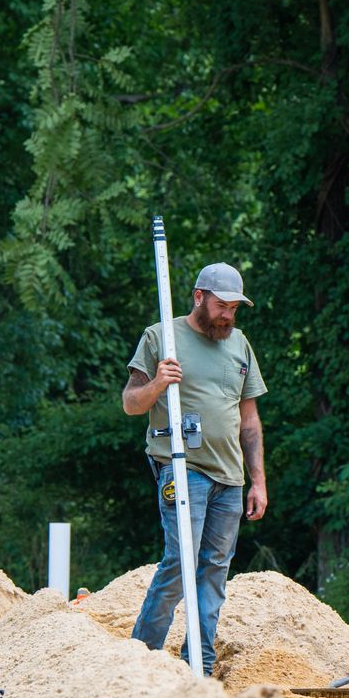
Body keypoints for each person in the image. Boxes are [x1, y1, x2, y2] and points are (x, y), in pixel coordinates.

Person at [121, 262, 268, 675]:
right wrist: (157, 384)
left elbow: (250, 419)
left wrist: (257, 481)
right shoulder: (161, 337)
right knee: (181, 562)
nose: (229, 315)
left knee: (214, 572)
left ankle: (197, 665)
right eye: (222, 306)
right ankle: (142, 657)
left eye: (235, 309)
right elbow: (131, 403)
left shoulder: (239, 344)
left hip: (231, 479)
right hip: (184, 468)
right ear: (199, 297)